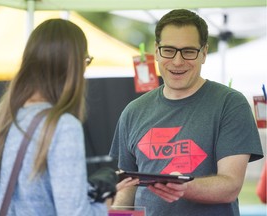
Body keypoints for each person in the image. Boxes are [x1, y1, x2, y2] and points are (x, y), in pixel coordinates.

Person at [109, 9, 264, 216]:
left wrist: (183, 186)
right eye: (169, 50)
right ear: (156, 51)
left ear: (204, 53)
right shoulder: (133, 111)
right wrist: (116, 212)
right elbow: (127, 184)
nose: (178, 61)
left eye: (189, 51)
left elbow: (231, 185)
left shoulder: (230, 104)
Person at [0, 19, 137, 216]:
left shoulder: (5, 119)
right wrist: (105, 205)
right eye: (86, 61)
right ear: (73, 65)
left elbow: (32, 195)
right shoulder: (62, 125)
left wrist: (86, 191)